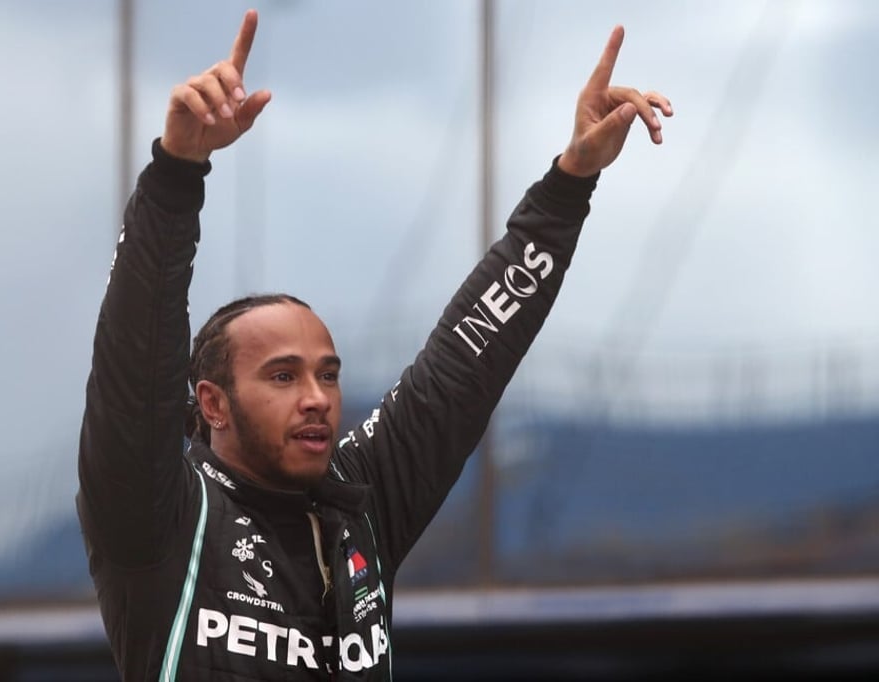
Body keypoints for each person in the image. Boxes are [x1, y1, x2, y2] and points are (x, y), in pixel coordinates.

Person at [77, 9, 671, 681]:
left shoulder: (358, 501)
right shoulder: (158, 516)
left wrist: (569, 184)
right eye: (283, 377)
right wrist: (176, 173)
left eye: (328, 375)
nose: (317, 398)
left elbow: (465, 360)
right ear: (212, 403)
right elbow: (134, 364)